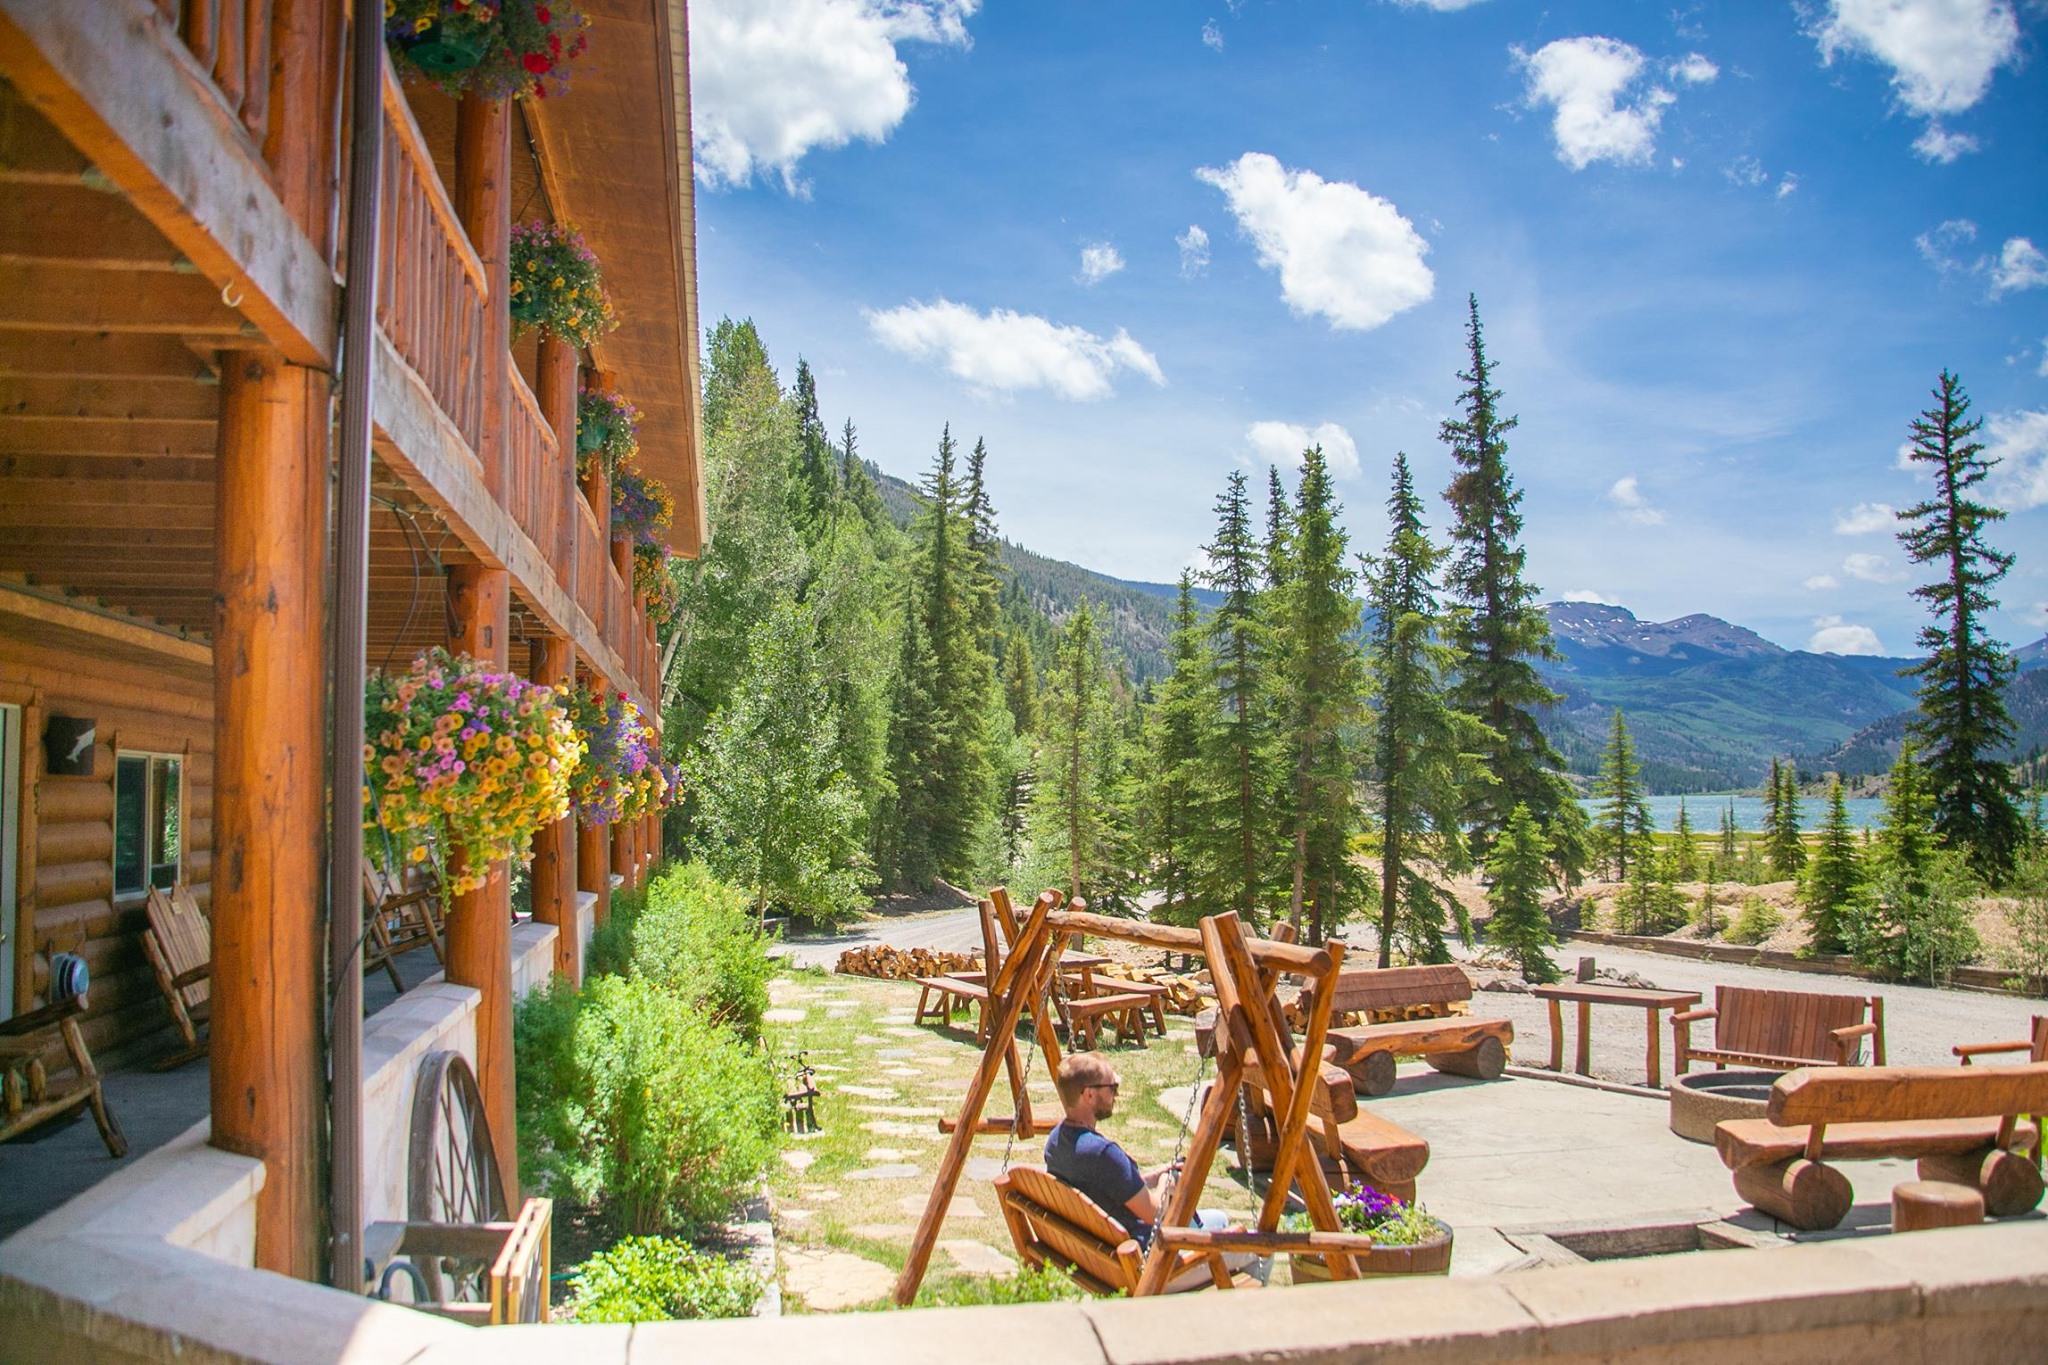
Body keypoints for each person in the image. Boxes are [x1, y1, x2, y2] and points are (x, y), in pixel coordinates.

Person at [1042, 1051, 1267, 1284]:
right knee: (1259, 1248)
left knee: (1218, 1219)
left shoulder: (1057, 1142)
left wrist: (1154, 1175)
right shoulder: (1103, 1153)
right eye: (1111, 1088)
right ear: (1088, 1095)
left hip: (1103, 1259)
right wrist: (1165, 1183)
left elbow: (1110, 1186)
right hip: (1151, 1267)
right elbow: (1153, 1213)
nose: (1116, 1094)